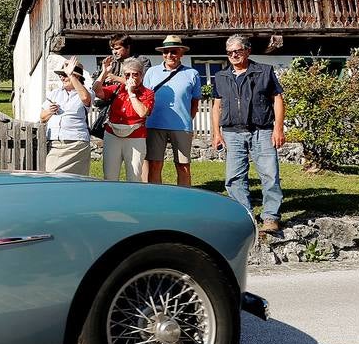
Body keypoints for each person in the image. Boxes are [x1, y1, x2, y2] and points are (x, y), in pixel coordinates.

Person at [211, 35, 286, 232]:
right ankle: (245, 217)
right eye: (229, 53)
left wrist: (278, 128)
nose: (233, 55)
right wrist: (216, 133)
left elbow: (277, 99)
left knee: (270, 175)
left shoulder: (264, 71)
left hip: (262, 131)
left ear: (247, 51)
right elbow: (216, 105)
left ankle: (270, 217)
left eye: (237, 51)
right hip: (232, 133)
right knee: (234, 178)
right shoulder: (221, 76)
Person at [144, 35, 202, 187]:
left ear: (181, 53)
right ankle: (156, 199)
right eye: (166, 52)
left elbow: (195, 101)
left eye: (174, 51)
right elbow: (145, 98)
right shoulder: (151, 72)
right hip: (154, 125)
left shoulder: (192, 74)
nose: (170, 55)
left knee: (183, 166)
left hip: (181, 127)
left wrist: (188, 119)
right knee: (155, 165)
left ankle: (184, 199)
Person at [95, 57, 154, 182]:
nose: (131, 78)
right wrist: (104, 72)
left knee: (134, 176)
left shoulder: (147, 93)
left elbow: (142, 112)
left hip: (136, 136)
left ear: (141, 75)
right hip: (112, 135)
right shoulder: (117, 88)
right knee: (109, 176)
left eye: (135, 74)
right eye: (127, 75)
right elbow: (97, 91)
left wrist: (132, 94)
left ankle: (132, 200)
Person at [41, 57, 92, 175]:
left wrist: (71, 75)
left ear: (77, 76)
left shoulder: (86, 91)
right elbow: (42, 117)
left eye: (66, 74)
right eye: (61, 75)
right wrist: (49, 111)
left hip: (76, 144)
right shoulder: (55, 93)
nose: (62, 77)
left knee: (76, 180)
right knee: (52, 175)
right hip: (55, 143)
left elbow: (85, 98)